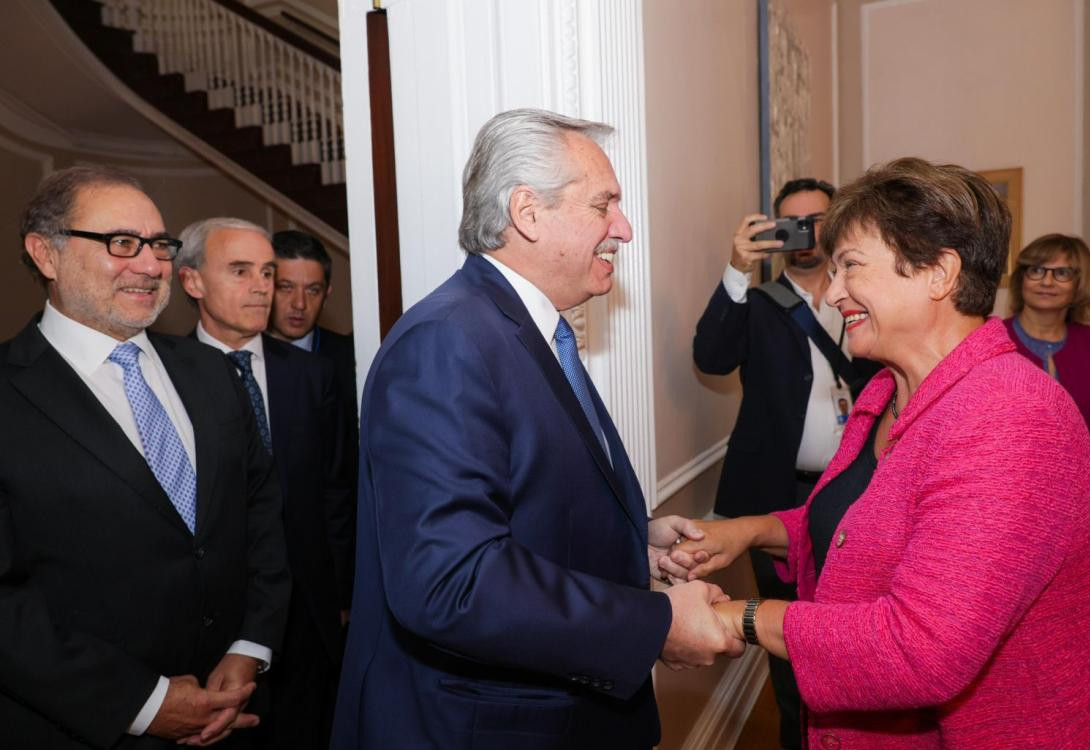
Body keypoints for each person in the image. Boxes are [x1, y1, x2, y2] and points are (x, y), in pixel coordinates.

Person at [669, 158, 1090, 748]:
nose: (835, 290)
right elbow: (862, 526)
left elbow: (918, 649)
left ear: (939, 273)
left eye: (851, 266)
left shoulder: (1009, 416)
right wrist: (747, 531)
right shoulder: (887, 391)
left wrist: (734, 615)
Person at [332, 108, 743, 750]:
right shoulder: (447, 342)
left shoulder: (524, 328)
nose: (624, 230)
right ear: (527, 212)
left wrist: (629, 542)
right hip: (491, 726)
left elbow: (515, 503)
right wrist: (654, 624)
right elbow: (451, 581)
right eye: (603, 205)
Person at [0, 165, 290, 748]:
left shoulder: (211, 371)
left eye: (158, 244)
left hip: (235, 710)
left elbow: (259, 514)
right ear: (46, 254)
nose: (152, 265)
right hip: (80, 727)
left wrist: (249, 647)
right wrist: (144, 703)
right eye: (120, 243)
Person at [692, 178, 881, 747]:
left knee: (856, 619)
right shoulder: (757, 304)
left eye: (818, 219)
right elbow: (711, 357)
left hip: (859, 489)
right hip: (777, 495)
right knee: (787, 631)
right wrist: (735, 270)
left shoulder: (867, 295)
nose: (805, 233)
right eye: (791, 222)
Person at [177, 217, 354, 750]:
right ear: (192, 282)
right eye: (241, 271)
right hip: (211, 613)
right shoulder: (164, 376)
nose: (260, 287)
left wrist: (343, 590)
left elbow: (338, 491)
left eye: (267, 272)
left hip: (308, 608)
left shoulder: (311, 376)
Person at [1006, 234, 1090, 564]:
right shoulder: (991, 340)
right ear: (1021, 279)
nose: (1047, 281)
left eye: (1062, 273)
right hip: (1008, 509)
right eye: (1036, 270)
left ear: (1079, 283)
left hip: (1085, 508)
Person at [267, 229, 357, 425]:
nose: (300, 304)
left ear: (326, 295)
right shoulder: (239, 360)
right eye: (286, 287)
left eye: (313, 290)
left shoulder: (353, 361)